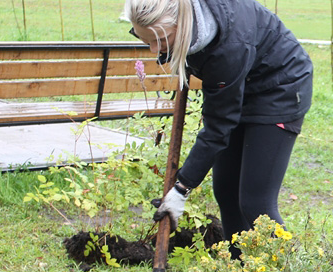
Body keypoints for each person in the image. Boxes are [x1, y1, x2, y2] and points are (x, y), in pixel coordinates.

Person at [124, 0, 312, 257]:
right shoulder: (182, 18)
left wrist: (181, 188)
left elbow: (218, 125)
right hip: (240, 81)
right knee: (226, 192)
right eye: (146, 40)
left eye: (161, 40)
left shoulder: (227, 48)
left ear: (182, 24)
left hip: (279, 88)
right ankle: (239, 271)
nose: (154, 50)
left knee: (255, 203)